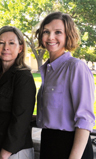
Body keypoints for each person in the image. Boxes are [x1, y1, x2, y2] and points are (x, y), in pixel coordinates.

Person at [35, 12, 95, 159]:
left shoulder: (76, 67)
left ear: (68, 35)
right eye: (46, 32)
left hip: (71, 146)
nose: (50, 37)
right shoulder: (47, 70)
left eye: (58, 32)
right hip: (49, 142)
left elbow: (85, 119)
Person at [0, 26, 36, 159]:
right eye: (1, 43)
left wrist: (5, 153)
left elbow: (21, 119)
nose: (5, 47)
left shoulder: (23, 77)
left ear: (20, 48)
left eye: (11, 43)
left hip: (13, 152)